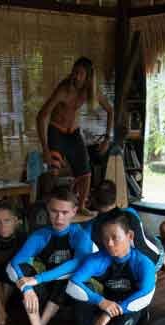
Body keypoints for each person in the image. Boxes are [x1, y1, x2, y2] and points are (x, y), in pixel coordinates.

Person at [20, 211, 155, 325]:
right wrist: (101, 302)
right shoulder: (98, 258)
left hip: (127, 320)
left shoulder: (143, 263)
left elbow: (145, 295)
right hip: (102, 314)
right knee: (80, 294)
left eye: (115, 238)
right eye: (106, 239)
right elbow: (73, 284)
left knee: (137, 306)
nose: (110, 244)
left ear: (130, 236)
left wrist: (109, 313)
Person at [6, 187, 95, 325]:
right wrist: (27, 288)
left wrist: (37, 279)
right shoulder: (41, 235)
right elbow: (15, 263)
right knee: (22, 270)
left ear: (74, 212)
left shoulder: (80, 235)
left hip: (70, 297)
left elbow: (78, 263)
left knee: (69, 277)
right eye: (54, 211)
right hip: (46, 294)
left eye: (64, 212)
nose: (59, 217)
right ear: (48, 210)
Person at [38, 57, 113, 212]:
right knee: (53, 172)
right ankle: (48, 208)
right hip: (56, 132)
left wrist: (107, 138)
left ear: (87, 77)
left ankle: (81, 207)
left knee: (86, 174)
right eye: (74, 72)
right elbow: (42, 116)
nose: (75, 76)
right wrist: (45, 148)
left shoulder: (90, 91)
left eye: (79, 73)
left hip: (73, 134)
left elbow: (110, 110)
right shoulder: (63, 90)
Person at [84, 179, 165, 271]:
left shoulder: (93, 225)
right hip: (155, 260)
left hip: (131, 270)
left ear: (94, 200)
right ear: (115, 197)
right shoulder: (130, 213)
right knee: (144, 232)